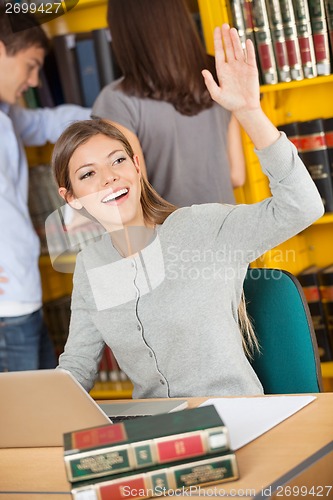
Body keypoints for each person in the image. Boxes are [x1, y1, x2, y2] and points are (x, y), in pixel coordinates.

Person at [53, 25, 324, 398]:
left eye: (117, 160)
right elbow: (78, 366)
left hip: (237, 420)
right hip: (155, 430)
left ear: (136, 166)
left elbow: (302, 206)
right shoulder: (91, 265)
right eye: (88, 174)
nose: (109, 178)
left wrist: (249, 112)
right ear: (72, 198)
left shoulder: (201, 228)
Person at [0, 8, 91, 372]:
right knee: (23, 426)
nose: (36, 81)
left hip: (23, 299)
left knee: (41, 410)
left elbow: (45, 123)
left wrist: (118, 113)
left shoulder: (7, 115)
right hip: (8, 310)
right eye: (31, 65)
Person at [92, 0, 246, 207]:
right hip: (233, 230)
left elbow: (134, 197)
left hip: (170, 236)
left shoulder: (116, 101)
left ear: (123, 32)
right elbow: (236, 175)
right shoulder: (217, 75)